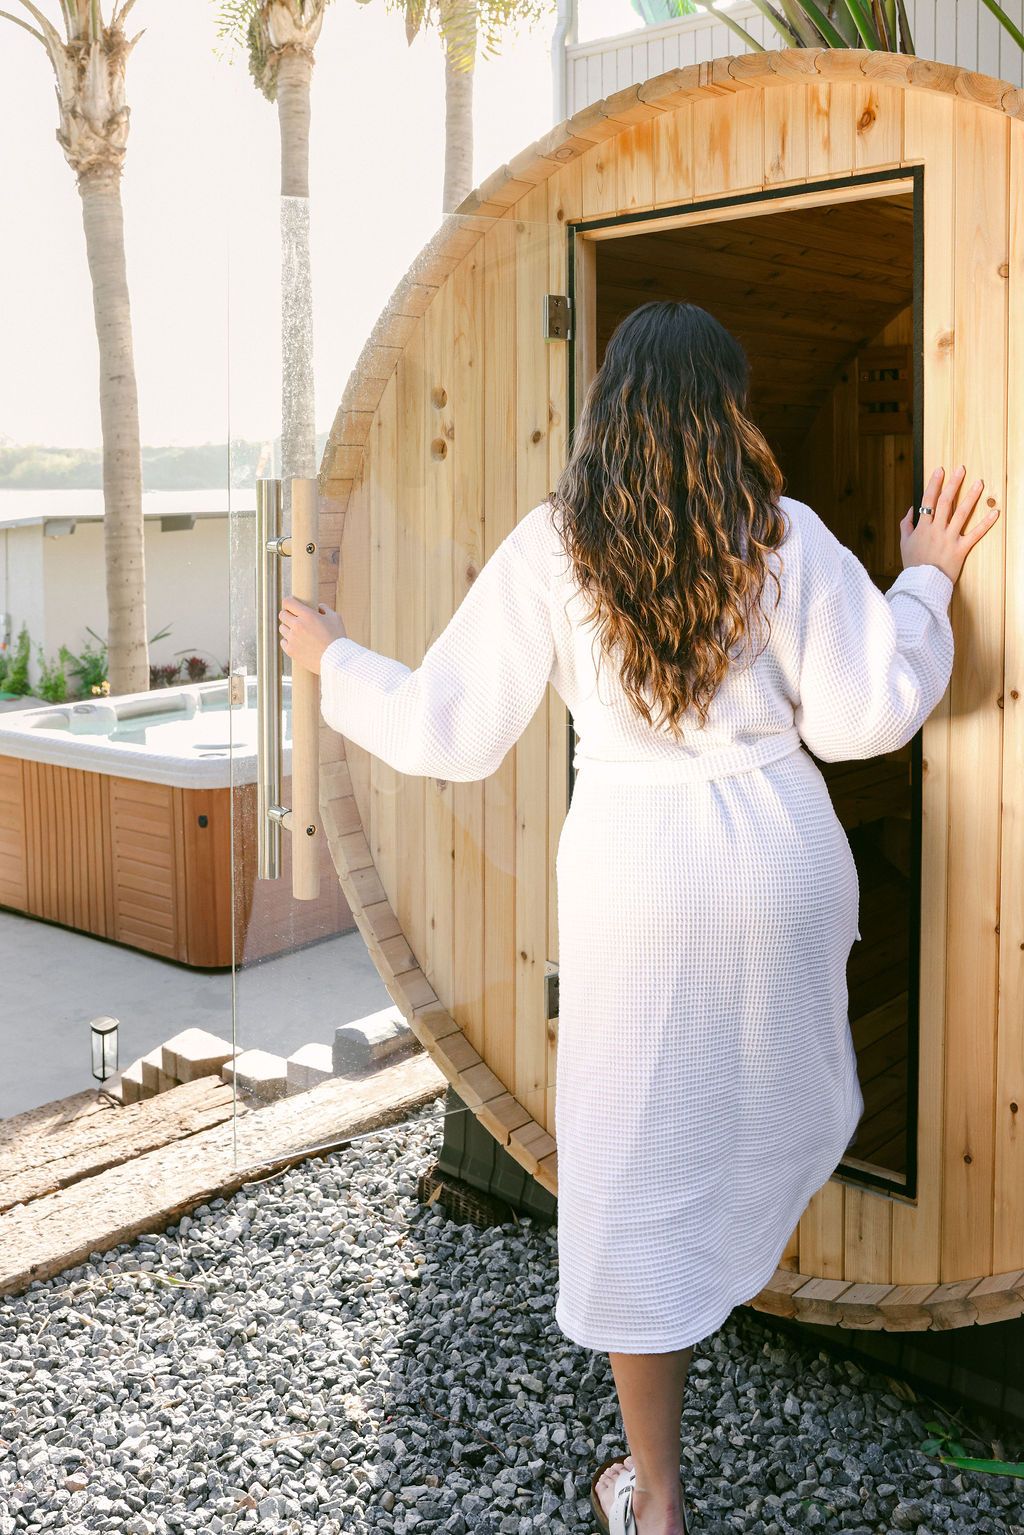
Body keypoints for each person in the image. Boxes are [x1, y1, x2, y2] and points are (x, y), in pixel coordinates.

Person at [278, 300, 1000, 1535]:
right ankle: (737, 1250)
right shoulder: (784, 536)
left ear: (606, 408)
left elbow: (447, 729)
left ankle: (654, 1492)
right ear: (731, 409)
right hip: (779, 860)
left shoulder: (554, 548)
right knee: (774, 1097)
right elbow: (867, 716)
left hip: (635, 878)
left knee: (633, 1162)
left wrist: (333, 657)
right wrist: (923, 578)